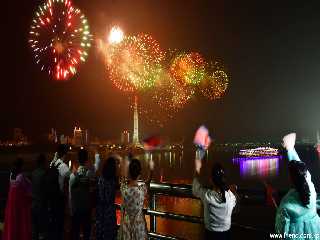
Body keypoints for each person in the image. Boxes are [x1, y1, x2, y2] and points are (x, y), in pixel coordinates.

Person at [275, 133, 320, 239]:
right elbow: (300, 172)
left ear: (291, 179)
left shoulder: (287, 203)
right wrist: (290, 149)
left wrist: (289, 148)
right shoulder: (311, 190)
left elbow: (281, 231)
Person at [192, 158, 237, 240]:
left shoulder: (207, 196)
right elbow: (233, 201)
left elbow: (195, 189)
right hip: (226, 235)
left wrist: (197, 171)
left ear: (211, 180)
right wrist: (231, 190)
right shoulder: (230, 197)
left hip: (211, 235)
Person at [118, 157, 154, 240]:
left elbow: (122, 178)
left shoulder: (124, 188)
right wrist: (151, 170)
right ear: (139, 174)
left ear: (129, 173)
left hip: (126, 225)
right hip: (139, 226)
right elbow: (148, 182)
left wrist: (121, 163)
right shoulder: (141, 190)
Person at [69, 148, 99, 240]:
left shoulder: (73, 176)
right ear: (87, 159)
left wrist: (71, 208)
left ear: (78, 159)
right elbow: (96, 166)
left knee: (75, 232)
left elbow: (71, 194)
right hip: (86, 208)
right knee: (87, 232)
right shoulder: (90, 173)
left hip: (76, 208)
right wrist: (96, 154)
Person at [2, 158, 32, 240]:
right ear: (21, 166)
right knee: (20, 223)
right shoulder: (21, 176)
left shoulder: (11, 175)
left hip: (11, 204)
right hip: (20, 204)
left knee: (12, 222)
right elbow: (28, 186)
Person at [47, 144, 71, 240]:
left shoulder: (53, 163)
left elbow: (50, 165)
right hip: (59, 198)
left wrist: (55, 157)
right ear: (65, 154)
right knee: (60, 221)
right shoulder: (63, 166)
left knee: (53, 219)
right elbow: (71, 177)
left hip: (51, 196)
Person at [96, 155, 120, 240]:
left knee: (101, 232)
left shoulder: (101, 179)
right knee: (110, 234)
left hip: (101, 210)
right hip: (109, 210)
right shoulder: (113, 181)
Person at [31, 154, 48, 240]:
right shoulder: (44, 174)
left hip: (34, 204)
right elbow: (46, 190)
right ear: (43, 163)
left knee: (35, 229)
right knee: (42, 230)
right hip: (42, 205)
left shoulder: (33, 173)